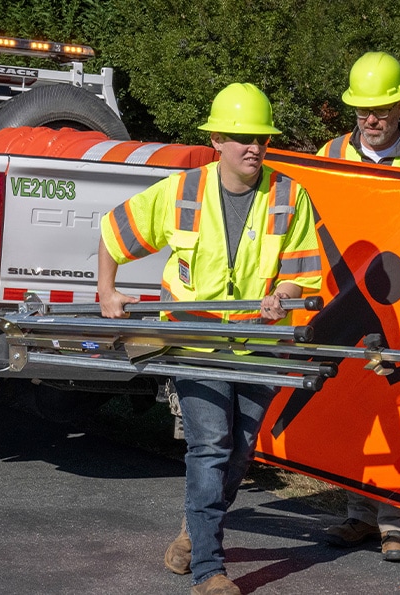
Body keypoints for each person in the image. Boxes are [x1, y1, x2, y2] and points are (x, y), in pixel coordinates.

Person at [98, 83, 322, 595]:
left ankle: (192, 537)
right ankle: (209, 571)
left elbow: (302, 273)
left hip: (258, 344)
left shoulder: (290, 196)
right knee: (212, 445)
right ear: (217, 141)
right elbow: (114, 232)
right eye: (242, 139)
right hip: (194, 342)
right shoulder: (182, 192)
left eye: (261, 140)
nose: (254, 149)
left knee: (240, 452)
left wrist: (281, 297)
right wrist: (107, 290)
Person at [317, 51, 400, 563]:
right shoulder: (332, 152)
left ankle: (395, 523)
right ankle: (358, 514)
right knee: (355, 402)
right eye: (362, 111)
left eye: (382, 110)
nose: (371, 120)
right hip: (347, 299)